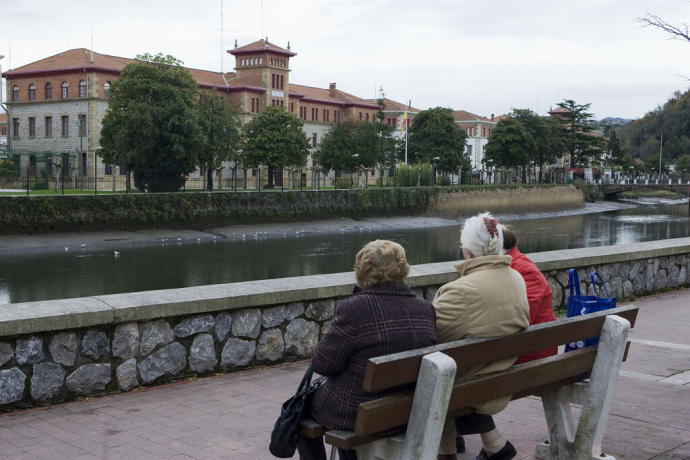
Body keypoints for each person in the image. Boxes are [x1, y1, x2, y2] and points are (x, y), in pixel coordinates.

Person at [298, 239, 437, 460]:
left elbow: (323, 364)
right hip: (404, 408)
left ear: (362, 271)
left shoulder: (356, 308)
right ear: (403, 268)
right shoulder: (425, 309)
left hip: (358, 412)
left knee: (299, 411)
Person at [433, 212, 530, 460]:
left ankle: (448, 452)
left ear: (467, 252)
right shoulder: (517, 278)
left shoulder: (459, 291)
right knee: (446, 373)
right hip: (502, 375)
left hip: (470, 383)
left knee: (434, 375)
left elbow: (430, 341)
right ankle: (480, 447)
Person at [501, 226, 558, 364]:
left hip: (532, 357)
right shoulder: (509, 267)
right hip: (523, 351)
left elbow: (525, 318)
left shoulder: (525, 271)